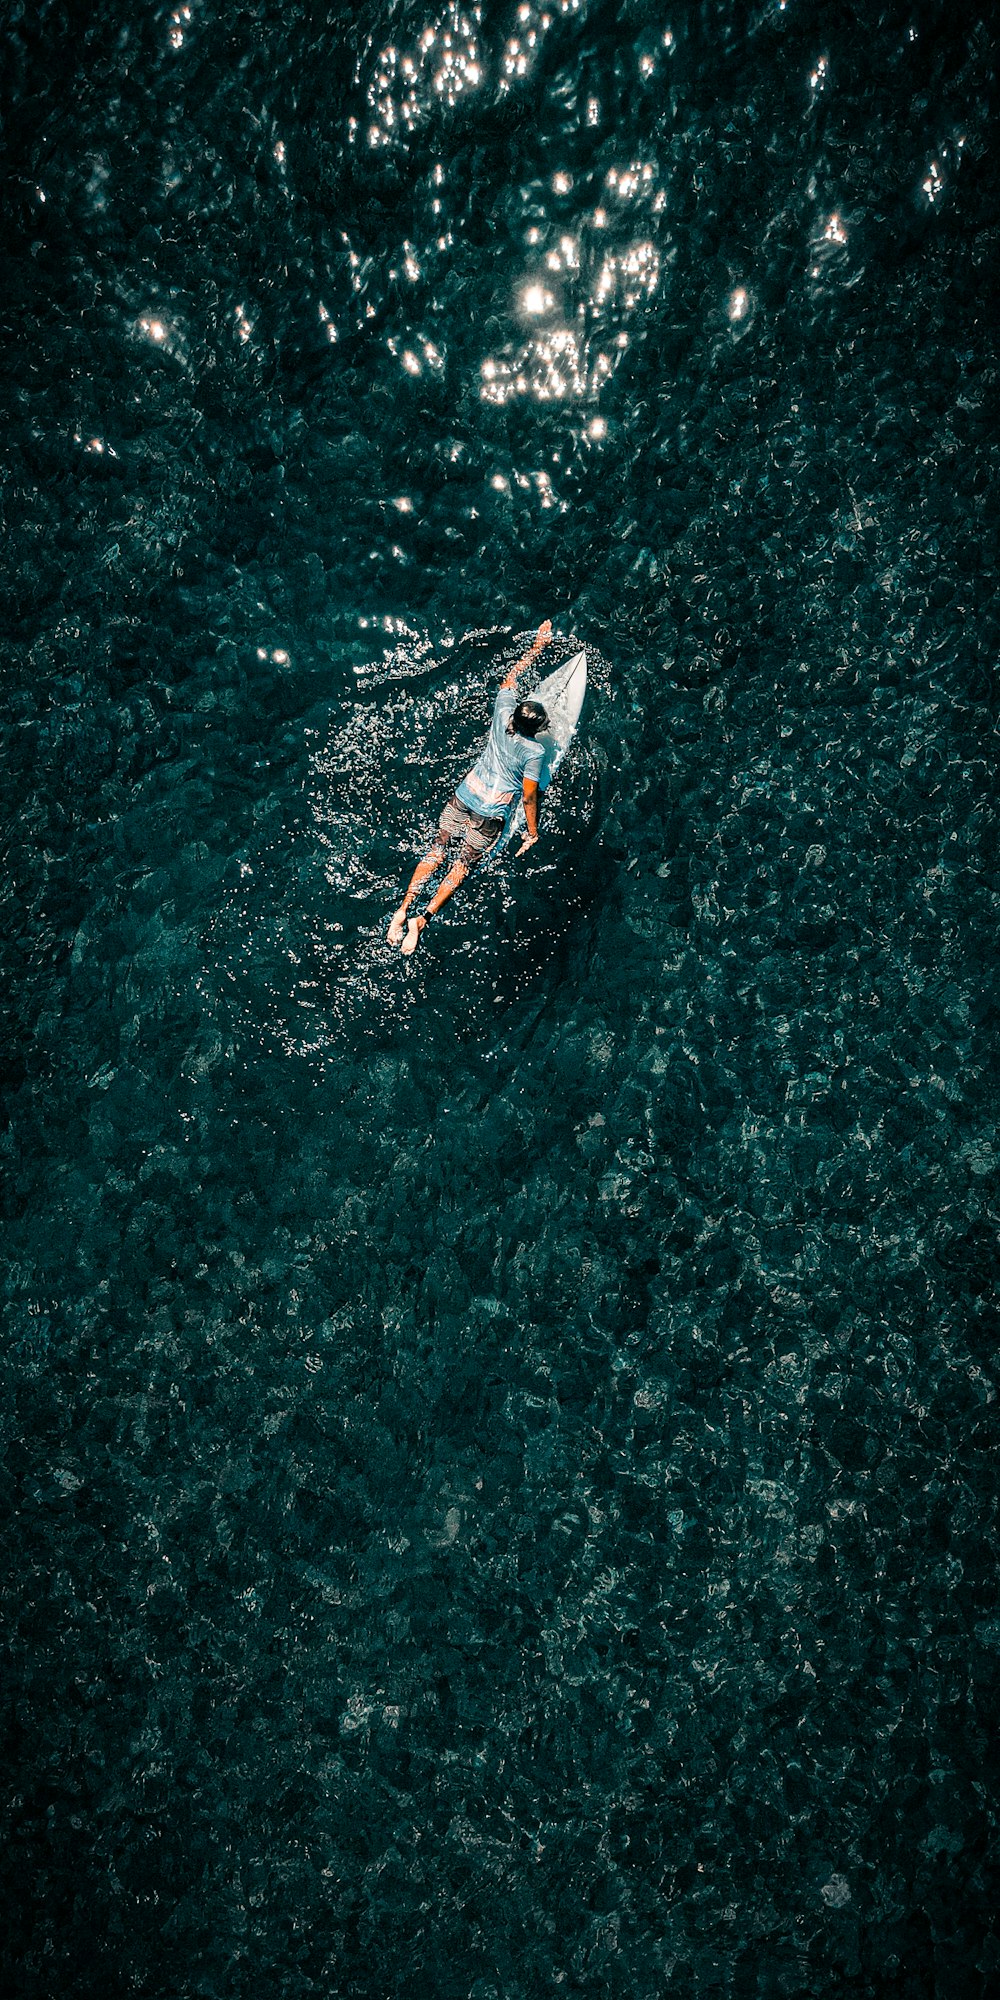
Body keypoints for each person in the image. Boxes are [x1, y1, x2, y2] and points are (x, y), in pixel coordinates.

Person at [387, 619, 555, 955]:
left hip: (464, 796)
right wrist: (532, 832)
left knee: (436, 849)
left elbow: (510, 678)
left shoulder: (503, 711)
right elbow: (529, 795)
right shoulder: (534, 751)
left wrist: (537, 646)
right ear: (535, 729)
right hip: (489, 813)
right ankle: (423, 918)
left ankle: (403, 909)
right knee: (462, 864)